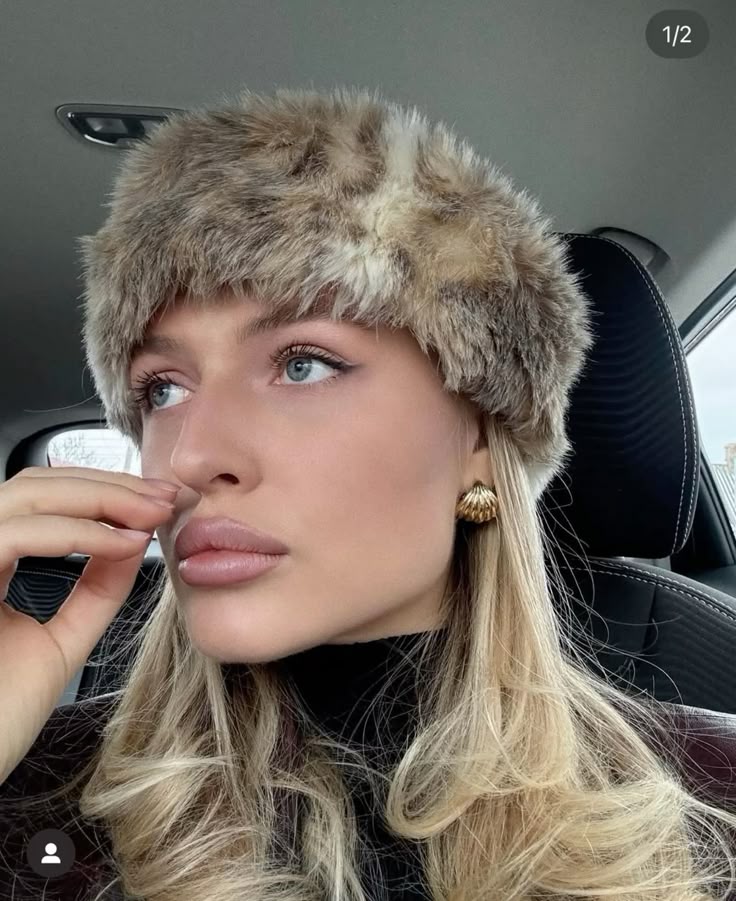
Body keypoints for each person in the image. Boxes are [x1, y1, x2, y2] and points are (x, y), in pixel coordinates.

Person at [1, 85, 735, 900]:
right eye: (163, 389)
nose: (189, 457)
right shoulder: (34, 788)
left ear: (480, 437)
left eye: (303, 363)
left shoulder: (711, 808)